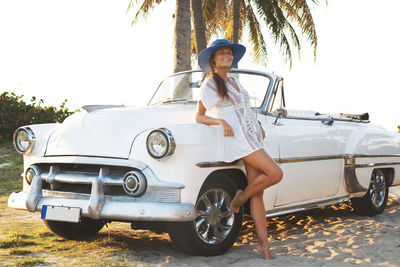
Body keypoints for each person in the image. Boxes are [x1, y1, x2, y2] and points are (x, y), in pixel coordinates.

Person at [195, 39, 283, 260]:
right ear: (213, 59)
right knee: (275, 173)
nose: (227, 56)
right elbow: (199, 116)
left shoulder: (234, 82)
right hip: (238, 139)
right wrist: (220, 123)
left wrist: (259, 124)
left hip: (251, 135)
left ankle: (264, 244)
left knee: (259, 192)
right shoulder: (210, 84)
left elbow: (245, 109)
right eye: (222, 53)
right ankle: (239, 199)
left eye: (229, 53)